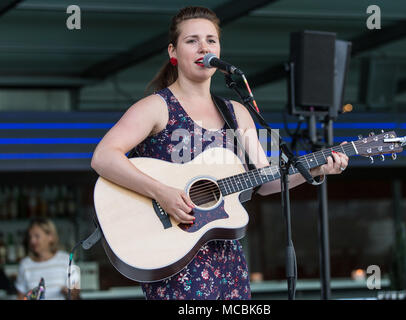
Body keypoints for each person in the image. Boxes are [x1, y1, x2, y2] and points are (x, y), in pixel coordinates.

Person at [90, 6, 349, 300]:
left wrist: (315, 169)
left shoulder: (237, 112)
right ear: (173, 52)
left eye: (211, 40)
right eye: (192, 40)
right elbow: (104, 156)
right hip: (175, 261)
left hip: (228, 263)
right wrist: (162, 192)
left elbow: (265, 181)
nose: (204, 47)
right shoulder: (157, 107)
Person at [15, 218, 79, 300]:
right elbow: (21, 296)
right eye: (30, 237)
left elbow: (76, 293)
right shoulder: (25, 264)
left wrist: (69, 292)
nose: (32, 241)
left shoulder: (65, 259)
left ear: (50, 237)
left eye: (37, 236)